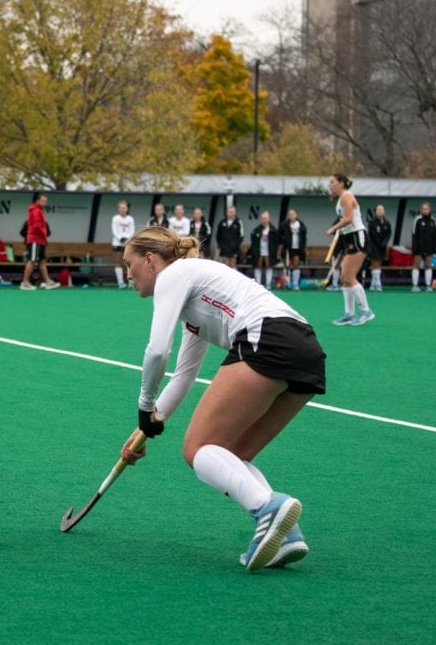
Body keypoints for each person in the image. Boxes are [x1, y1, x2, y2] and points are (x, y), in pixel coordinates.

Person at [119, 226, 325, 572]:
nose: (128, 274)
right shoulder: (193, 301)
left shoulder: (175, 275)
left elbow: (157, 351)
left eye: (129, 263)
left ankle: (268, 508)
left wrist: (144, 405)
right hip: (305, 349)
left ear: (150, 260)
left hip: (266, 337)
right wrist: (149, 424)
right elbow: (183, 375)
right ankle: (286, 535)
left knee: (196, 448)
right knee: (230, 455)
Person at [325, 174, 374, 324]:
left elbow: (348, 219)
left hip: (357, 237)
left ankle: (366, 311)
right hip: (349, 238)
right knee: (344, 278)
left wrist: (333, 228)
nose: (330, 185)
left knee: (349, 277)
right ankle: (349, 313)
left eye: (332, 182)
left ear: (341, 183)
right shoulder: (341, 199)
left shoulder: (347, 196)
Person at [20, 192, 57, 290]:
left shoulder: (40, 210)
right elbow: (37, 226)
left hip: (40, 240)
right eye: (42, 201)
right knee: (32, 261)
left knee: (42, 261)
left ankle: (47, 282)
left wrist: (44, 238)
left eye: (45, 201)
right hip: (35, 240)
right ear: (37, 201)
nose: (44, 203)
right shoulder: (36, 211)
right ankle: (25, 282)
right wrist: (44, 236)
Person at [279, 208, 307, 291]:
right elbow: (279, 235)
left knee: (296, 265)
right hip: (287, 248)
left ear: (296, 215)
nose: (292, 216)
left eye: (293, 214)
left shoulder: (300, 224)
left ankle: (295, 284)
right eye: (290, 214)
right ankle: (287, 283)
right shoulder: (284, 225)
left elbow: (304, 236)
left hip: (297, 248)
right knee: (287, 266)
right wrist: (284, 241)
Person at [410, 202, 435, 293]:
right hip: (419, 248)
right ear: (421, 210)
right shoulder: (417, 220)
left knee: (428, 266)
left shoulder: (433, 221)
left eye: (426, 209)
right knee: (416, 265)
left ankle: (428, 286)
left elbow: (434, 236)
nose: (425, 210)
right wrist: (414, 248)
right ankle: (415, 285)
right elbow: (414, 235)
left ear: (429, 210)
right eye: (423, 209)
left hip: (429, 248)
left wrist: (434, 248)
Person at [366, 204, 392, 292]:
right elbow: (372, 234)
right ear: (375, 211)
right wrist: (379, 243)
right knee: (375, 264)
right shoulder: (372, 222)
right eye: (378, 210)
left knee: (378, 265)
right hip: (374, 246)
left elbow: (389, 234)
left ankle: (373, 284)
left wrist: (384, 243)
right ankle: (378, 284)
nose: (380, 212)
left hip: (382, 247)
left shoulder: (386, 223)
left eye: (382, 210)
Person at [110, 200, 135, 289]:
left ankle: (130, 282)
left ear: (127, 209)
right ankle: (120, 283)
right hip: (117, 243)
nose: (122, 209)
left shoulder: (130, 219)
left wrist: (127, 239)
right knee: (118, 262)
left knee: (129, 263)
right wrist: (121, 238)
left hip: (128, 244)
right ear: (118, 209)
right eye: (120, 208)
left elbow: (132, 231)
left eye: (124, 208)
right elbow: (114, 230)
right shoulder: (115, 218)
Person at [249, 210, 276, 290]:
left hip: (269, 251)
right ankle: (258, 283)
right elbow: (253, 239)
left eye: (266, 218)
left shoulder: (273, 229)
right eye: (263, 218)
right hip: (259, 250)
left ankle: (268, 284)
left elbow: (276, 240)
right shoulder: (257, 229)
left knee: (269, 266)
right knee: (258, 265)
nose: (264, 220)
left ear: (269, 219)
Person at [216, 205, 243, 270]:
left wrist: (236, 245)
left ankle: (234, 279)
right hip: (225, 248)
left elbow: (241, 236)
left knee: (233, 263)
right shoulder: (222, 222)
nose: (231, 213)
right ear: (227, 212)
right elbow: (218, 235)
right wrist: (221, 245)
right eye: (229, 212)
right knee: (226, 265)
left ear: (235, 213)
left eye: (232, 212)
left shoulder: (238, 222)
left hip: (234, 248)